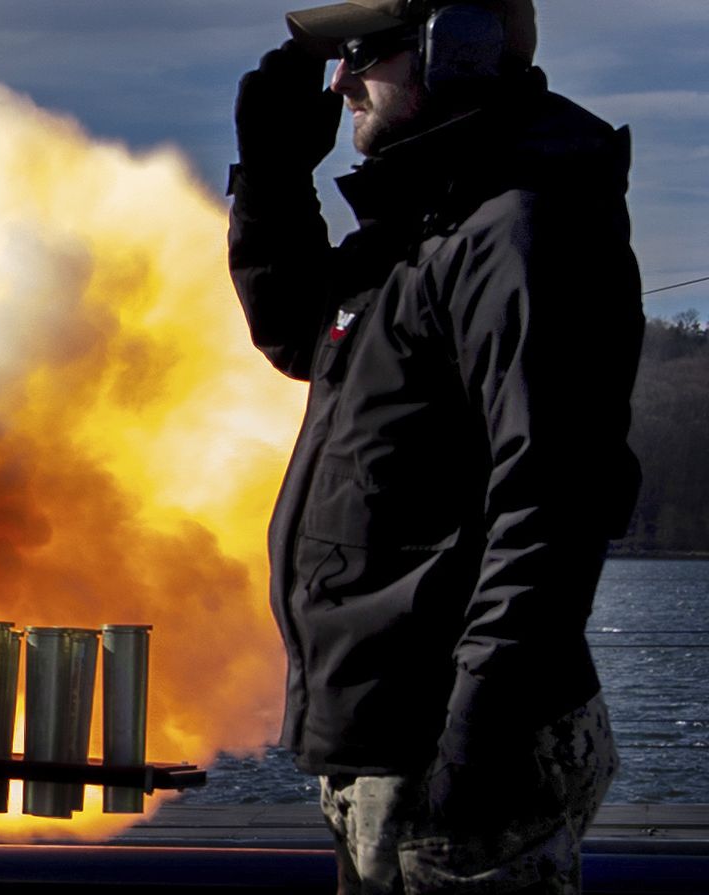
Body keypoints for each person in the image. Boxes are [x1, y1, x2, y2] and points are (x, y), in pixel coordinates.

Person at [228, 0, 640, 891]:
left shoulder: (523, 229)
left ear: (457, 49)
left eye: (364, 53)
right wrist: (270, 175)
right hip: (392, 745)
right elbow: (300, 330)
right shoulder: (426, 225)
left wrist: (476, 746)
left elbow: (552, 505)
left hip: (452, 753)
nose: (343, 82)